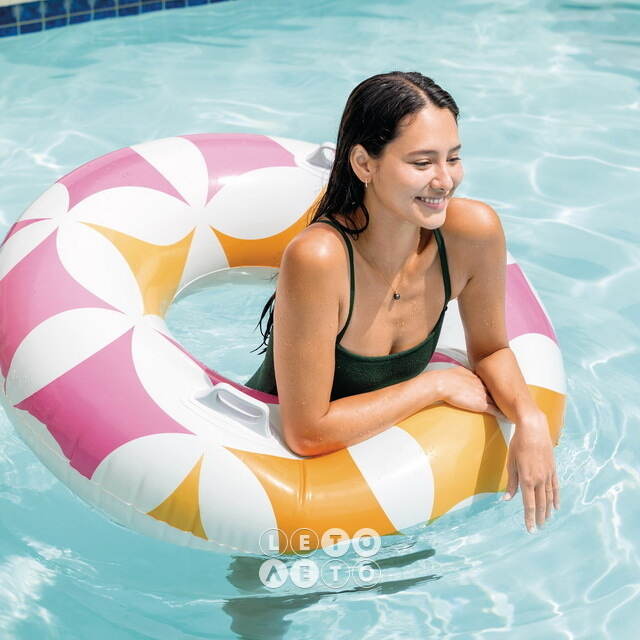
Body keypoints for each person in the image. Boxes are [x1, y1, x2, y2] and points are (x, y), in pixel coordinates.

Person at [245, 71, 559, 533]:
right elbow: (306, 432)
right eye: (422, 162)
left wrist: (530, 418)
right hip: (275, 481)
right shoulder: (320, 258)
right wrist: (435, 385)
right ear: (364, 164)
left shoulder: (473, 233)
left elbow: (491, 349)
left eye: (453, 158)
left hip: (390, 469)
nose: (445, 180)